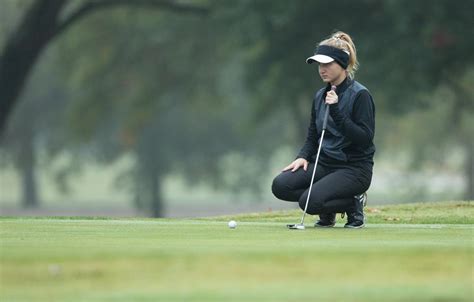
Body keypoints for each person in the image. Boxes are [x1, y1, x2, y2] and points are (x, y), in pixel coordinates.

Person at [271, 31, 375, 228]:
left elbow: (364, 138)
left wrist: (336, 110)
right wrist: (302, 156)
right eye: (320, 64)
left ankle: (353, 204)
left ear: (343, 64)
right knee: (281, 186)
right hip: (324, 164)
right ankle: (326, 206)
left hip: (353, 169)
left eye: (327, 64)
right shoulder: (320, 95)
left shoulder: (360, 95)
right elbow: (313, 134)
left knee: (308, 202)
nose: (322, 69)